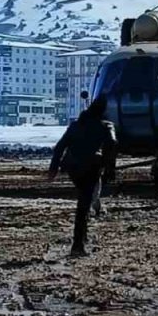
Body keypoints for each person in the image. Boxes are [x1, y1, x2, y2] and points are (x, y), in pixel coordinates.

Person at [49, 96, 117, 257]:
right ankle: (78, 244)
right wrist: (110, 169)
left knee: (84, 200)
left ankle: (82, 240)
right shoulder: (106, 125)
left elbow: (59, 147)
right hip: (92, 167)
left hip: (73, 167)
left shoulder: (76, 125)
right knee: (83, 205)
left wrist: (53, 168)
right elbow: (113, 144)